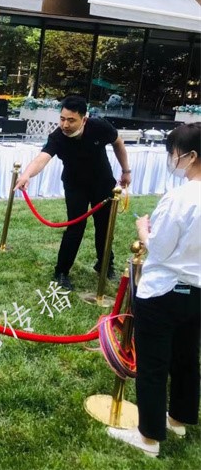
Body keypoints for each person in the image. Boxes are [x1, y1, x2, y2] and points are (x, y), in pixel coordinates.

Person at [107, 122, 200, 458]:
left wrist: (143, 229)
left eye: (174, 154)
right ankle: (179, 418)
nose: (172, 160)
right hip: (197, 291)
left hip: (164, 291)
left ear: (190, 156)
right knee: (187, 357)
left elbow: (159, 248)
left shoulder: (180, 198)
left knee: (154, 364)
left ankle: (148, 437)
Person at [14, 95, 131, 290]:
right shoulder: (58, 137)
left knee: (105, 226)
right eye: (62, 119)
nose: (65, 124)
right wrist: (26, 175)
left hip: (102, 183)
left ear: (84, 119)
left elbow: (118, 143)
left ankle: (105, 265)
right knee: (75, 227)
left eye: (71, 120)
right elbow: (42, 158)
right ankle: (61, 272)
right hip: (75, 185)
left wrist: (126, 171)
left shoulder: (99, 127)